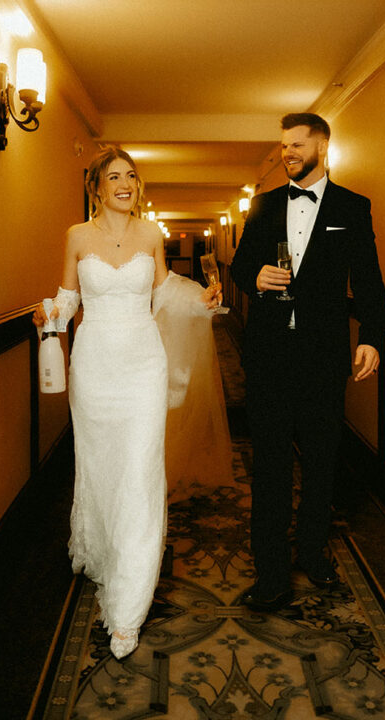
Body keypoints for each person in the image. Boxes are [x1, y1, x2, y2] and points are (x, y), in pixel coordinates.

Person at [34, 147, 223, 659]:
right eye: (113, 176)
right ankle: (98, 547)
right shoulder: (77, 235)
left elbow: (161, 292)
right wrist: (50, 311)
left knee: (141, 473)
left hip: (144, 366)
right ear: (96, 186)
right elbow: (68, 299)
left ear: (139, 187)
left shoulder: (150, 235)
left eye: (131, 177)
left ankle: (127, 609)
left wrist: (198, 300)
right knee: (101, 467)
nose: (124, 183)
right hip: (94, 367)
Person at [230, 113, 385, 612]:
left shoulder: (352, 208)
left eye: (297, 144)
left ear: (323, 144)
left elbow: (368, 280)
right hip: (269, 355)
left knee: (322, 460)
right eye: (283, 146)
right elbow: (238, 264)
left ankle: (314, 553)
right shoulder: (264, 204)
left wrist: (372, 337)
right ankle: (271, 572)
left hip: (323, 357)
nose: (287, 153)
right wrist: (255, 277)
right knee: (271, 466)